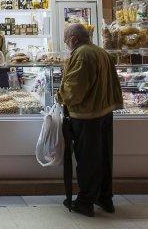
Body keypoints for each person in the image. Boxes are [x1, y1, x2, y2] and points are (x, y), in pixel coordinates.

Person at [57, 23, 123, 218]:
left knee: (87, 160)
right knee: (103, 157)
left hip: (87, 116)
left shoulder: (82, 54)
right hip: (105, 112)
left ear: (74, 39)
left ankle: (85, 202)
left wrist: (59, 97)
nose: (66, 44)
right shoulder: (101, 52)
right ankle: (105, 197)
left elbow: (74, 90)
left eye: (66, 40)